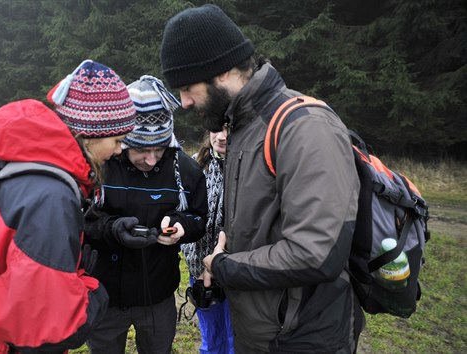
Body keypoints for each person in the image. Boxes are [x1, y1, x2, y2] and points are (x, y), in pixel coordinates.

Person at [161, 5, 362, 354]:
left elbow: (317, 253)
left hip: (301, 338)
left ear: (220, 71)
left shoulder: (305, 127)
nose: (185, 102)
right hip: (261, 333)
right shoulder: (245, 128)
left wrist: (226, 266)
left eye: (188, 87)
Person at [0, 59, 136, 353]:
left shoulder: (18, 167)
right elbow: (42, 327)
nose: (120, 150)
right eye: (117, 140)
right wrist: (94, 297)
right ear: (88, 134)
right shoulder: (51, 197)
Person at [83, 75, 208, 353]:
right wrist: (113, 229)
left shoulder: (185, 169)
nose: (150, 160)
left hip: (157, 294)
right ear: (124, 141)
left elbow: (199, 217)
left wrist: (180, 227)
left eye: (159, 150)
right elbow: (82, 222)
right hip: (105, 294)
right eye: (141, 150)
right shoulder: (101, 165)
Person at [181, 126, 234, 354]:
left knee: (237, 340)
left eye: (229, 130)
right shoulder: (194, 165)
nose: (221, 137)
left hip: (236, 271)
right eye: (216, 130)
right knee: (211, 341)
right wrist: (199, 265)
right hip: (201, 273)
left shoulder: (249, 168)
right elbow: (181, 213)